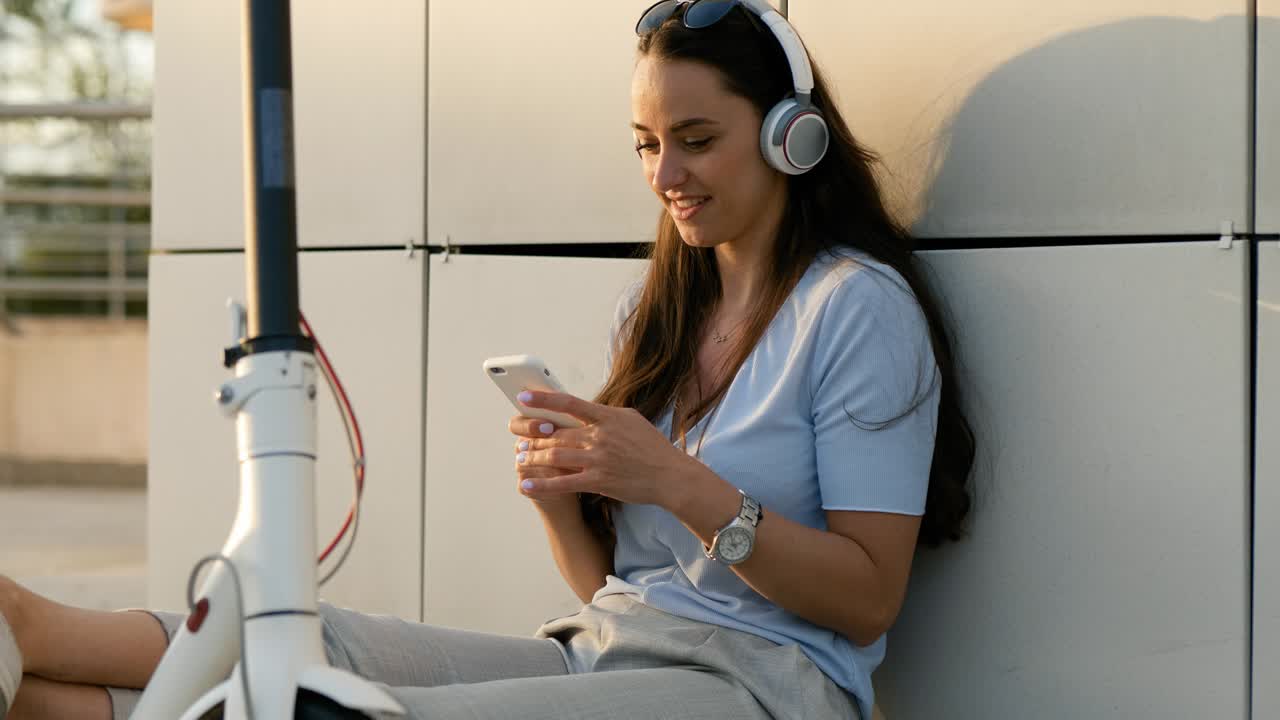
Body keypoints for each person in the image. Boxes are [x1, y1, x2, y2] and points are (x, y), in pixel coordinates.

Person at [0, 1, 973, 718]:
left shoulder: (856, 311)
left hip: (759, 687)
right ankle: (28, 641)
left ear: (786, 137)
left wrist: (672, 479)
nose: (663, 176)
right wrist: (562, 497)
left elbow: (863, 600)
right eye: (644, 145)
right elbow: (610, 592)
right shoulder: (665, 311)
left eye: (694, 141)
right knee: (299, 637)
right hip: (605, 655)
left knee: (347, 707)